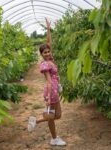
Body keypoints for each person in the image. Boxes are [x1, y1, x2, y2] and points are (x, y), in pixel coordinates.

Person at [28, 18, 66, 146]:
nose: (48, 53)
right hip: (51, 91)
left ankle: (36, 121)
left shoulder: (51, 59)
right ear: (41, 54)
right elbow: (49, 82)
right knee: (52, 115)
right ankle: (54, 138)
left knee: (58, 115)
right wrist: (49, 97)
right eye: (45, 52)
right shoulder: (45, 65)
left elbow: (49, 42)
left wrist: (48, 28)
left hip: (55, 89)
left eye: (48, 51)